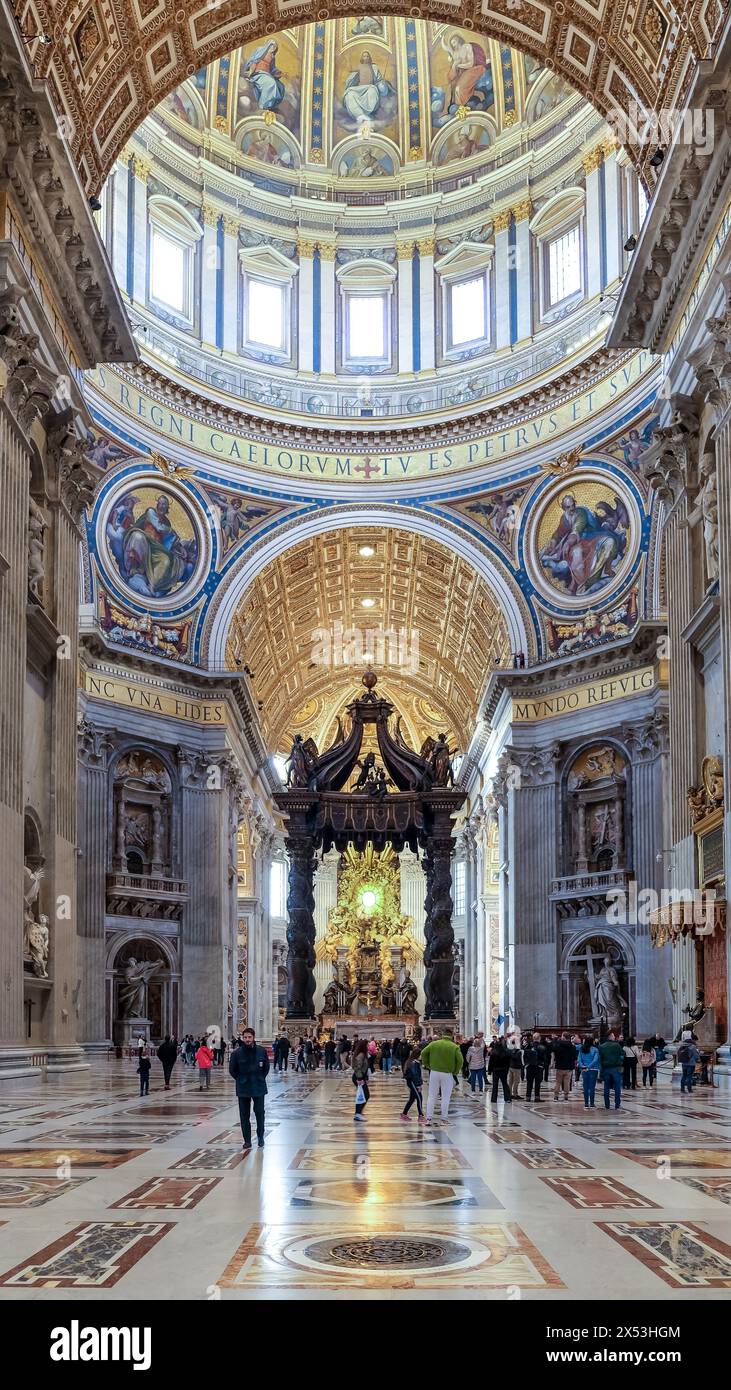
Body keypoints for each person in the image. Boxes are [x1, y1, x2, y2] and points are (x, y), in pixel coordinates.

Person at [229, 1025, 270, 1150]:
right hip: (243, 1087)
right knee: (244, 1115)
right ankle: (247, 1140)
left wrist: (260, 1077)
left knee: (259, 1113)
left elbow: (266, 1068)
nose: (247, 1039)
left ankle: (260, 1137)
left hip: (258, 1086)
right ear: (242, 1038)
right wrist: (241, 1079)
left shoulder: (261, 1051)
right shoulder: (236, 1054)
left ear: (253, 1038)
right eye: (245, 1037)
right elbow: (232, 1070)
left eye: (249, 1037)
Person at [421, 1031, 463, 1123]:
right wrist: (455, 1072)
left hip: (434, 1072)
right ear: (451, 1036)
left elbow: (423, 1053)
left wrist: (428, 1065)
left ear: (442, 1036)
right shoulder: (454, 1047)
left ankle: (428, 1117)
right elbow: (460, 1061)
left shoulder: (434, 1044)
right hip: (447, 1073)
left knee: (432, 1095)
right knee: (445, 1097)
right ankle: (444, 1118)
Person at [598, 1032, 624, 1110]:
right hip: (616, 1068)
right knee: (617, 1087)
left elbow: (600, 1058)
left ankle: (607, 1104)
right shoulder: (617, 1045)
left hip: (606, 1068)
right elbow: (622, 1055)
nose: (614, 1037)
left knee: (606, 1087)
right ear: (610, 1037)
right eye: (613, 1036)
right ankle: (617, 1104)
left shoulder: (601, 1046)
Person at [401, 1048, 425, 1122]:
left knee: (412, 1099)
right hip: (413, 1082)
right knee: (419, 1098)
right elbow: (415, 1075)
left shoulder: (412, 1062)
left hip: (412, 1082)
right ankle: (421, 1115)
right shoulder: (414, 1063)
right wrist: (419, 1084)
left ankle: (404, 1114)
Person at [552, 1032, 577, 1101]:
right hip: (569, 1067)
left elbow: (553, 1049)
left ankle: (556, 1096)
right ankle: (566, 1096)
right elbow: (574, 1057)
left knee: (558, 1082)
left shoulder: (558, 1045)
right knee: (567, 1082)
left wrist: (555, 1040)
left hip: (560, 1066)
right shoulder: (573, 1047)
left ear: (563, 1037)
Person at [577, 1037, 600, 1108]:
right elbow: (595, 1060)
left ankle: (586, 1103)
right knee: (592, 1087)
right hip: (593, 1069)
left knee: (585, 1087)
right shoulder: (595, 1049)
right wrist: (588, 1067)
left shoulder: (581, 1049)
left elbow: (579, 1059)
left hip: (584, 1070)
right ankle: (592, 1104)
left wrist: (583, 1066)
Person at [523, 1033, 546, 1102]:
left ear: (533, 1038)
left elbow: (524, 1055)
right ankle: (537, 1097)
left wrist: (526, 1064)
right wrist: (543, 1065)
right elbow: (544, 1057)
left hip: (529, 1066)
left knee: (529, 1082)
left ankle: (528, 1097)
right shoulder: (542, 1047)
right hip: (538, 1067)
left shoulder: (528, 1046)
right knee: (537, 1083)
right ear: (539, 1038)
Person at [488, 1038, 511, 1103]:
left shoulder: (493, 1053)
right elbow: (508, 1063)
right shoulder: (505, 1053)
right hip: (503, 1070)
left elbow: (490, 1063)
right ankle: (507, 1098)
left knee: (495, 1085)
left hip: (495, 1071)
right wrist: (507, 1069)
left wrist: (489, 1071)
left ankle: (493, 1099)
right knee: (504, 1084)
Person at [352, 1039, 370, 1121]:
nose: (368, 1046)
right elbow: (357, 1067)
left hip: (360, 1077)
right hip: (358, 1077)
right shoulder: (361, 1055)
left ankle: (358, 1112)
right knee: (364, 1095)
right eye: (367, 1045)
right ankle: (358, 1113)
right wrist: (359, 1078)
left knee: (363, 1095)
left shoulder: (363, 1054)